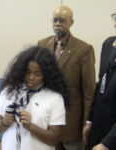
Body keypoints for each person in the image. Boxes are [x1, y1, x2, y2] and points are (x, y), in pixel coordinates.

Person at [38, 5, 95, 150]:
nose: (57, 24)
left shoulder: (84, 49)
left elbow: (89, 92)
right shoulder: (42, 45)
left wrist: (87, 123)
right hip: (46, 121)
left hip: (71, 125)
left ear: (71, 23)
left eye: (62, 20)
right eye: (55, 20)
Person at [0, 45, 68, 150]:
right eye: (27, 72)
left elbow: (54, 139)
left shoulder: (55, 99)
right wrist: (4, 122)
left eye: (37, 74)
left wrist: (30, 126)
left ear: (46, 74)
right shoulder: (9, 91)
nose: (31, 78)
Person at [83, 12, 116, 150]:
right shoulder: (108, 44)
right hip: (99, 123)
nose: (115, 24)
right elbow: (100, 84)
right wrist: (89, 122)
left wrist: (106, 144)